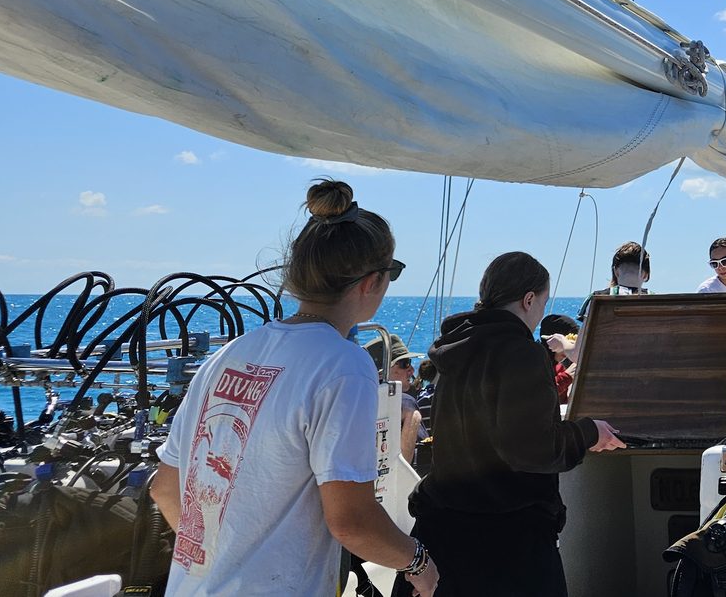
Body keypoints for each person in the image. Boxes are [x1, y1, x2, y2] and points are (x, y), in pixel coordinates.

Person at [151, 180, 439, 597]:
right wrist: (419, 561)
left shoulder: (229, 353)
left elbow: (165, 488)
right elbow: (351, 521)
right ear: (371, 282)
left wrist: (225, 558)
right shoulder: (345, 365)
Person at [408, 251, 626, 596]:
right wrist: (587, 432)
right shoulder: (520, 352)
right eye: (541, 303)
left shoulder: (453, 349)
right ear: (528, 300)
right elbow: (531, 448)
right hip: (507, 545)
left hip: (445, 531)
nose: (540, 314)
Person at [365, 332, 423, 464]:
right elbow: (402, 466)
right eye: (404, 364)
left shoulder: (362, 405)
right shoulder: (407, 403)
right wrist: (413, 415)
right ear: (381, 373)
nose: (412, 370)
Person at [539, 313, 581, 401]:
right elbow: (539, 395)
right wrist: (567, 376)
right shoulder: (535, 363)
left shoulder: (561, 366)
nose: (569, 349)